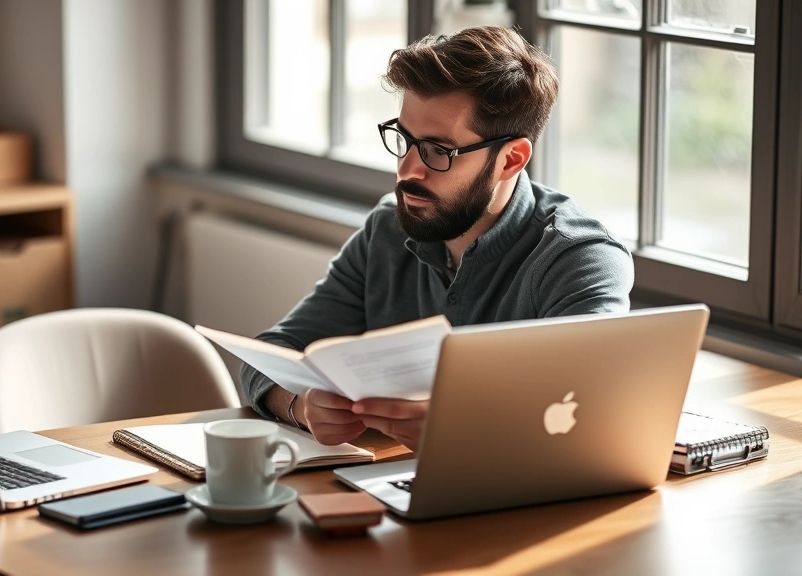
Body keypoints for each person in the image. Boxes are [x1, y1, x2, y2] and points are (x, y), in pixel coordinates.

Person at [241, 26, 634, 451]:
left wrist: (463, 427)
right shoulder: (387, 230)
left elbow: (593, 416)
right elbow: (269, 354)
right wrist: (301, 405)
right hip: (388, 491)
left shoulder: (580, 261)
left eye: (438, 151)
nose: (408, 170)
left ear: (511, 159)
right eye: (405, 140)